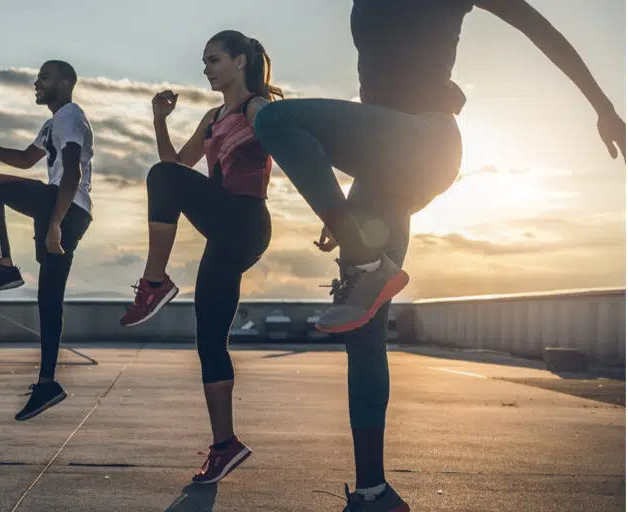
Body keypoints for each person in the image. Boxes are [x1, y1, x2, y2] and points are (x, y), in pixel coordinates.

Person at [249, 1, 626, 509]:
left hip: (426, 142)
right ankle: (373, 491)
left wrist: (603, 107)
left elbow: (541, 29)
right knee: (362, 327)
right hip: (382, 167)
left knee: (274, 118)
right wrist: (341, 207)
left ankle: (366, 262)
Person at [119, 30, 284, 484]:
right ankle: (224, 444)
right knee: (209, 337)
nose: (206, 68)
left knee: (162, 179)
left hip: (246, 219)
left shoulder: (258, 109)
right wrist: (158, 120)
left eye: (214, 60)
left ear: (240, 61)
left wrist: (333, 216)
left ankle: (155, 283)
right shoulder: (212, 119)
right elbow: (176, 167)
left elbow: (294, 153)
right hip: (224, 232)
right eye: (204, 61)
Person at [0, 59, 94, 422]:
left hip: (63, 205)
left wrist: (55, 222)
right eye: (37, 77)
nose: (37, 83)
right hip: (67, 210)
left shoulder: (70, 115)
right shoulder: (54, 122)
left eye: (45, 78)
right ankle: (47, 382)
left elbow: (73, 170)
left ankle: (5, 266)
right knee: (49, 299)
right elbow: (25, 160)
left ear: (66, 82)